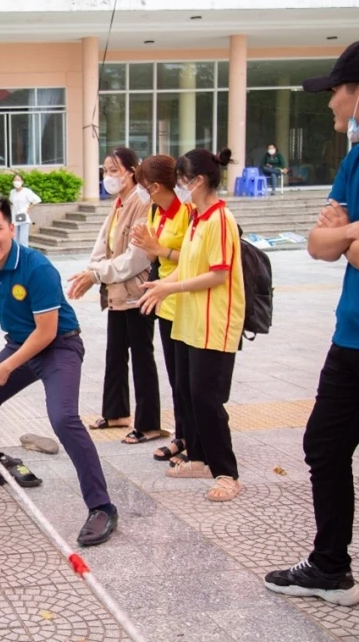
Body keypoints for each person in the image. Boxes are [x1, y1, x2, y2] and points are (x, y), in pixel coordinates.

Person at [262, 39, 359, 641]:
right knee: (323, 447)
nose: (330, 106)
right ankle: (330, 568)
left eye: (337, 93)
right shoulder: (358, 157)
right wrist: (357, 232)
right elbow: (318, 245)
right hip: (353, 337)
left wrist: (355, 232)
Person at [0, 195, 119, 547]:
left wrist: (8, 366)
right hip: (19, 344)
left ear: (11, 227)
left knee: (63, 419)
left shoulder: (37, 268)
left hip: (59, 347)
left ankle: (102, 507)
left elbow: (47, 332)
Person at [138, 148, 245, 503]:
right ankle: (199, 457)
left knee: (207, 399)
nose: (178, 186)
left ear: (198, 181)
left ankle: (227, 473)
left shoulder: (220, 219)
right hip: (188, 321)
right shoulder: (199, 218)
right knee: (188, 393)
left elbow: (217, 273)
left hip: (214, 323)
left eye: (182, 180)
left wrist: (172, 285)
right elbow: (188, 265)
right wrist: (162, 286)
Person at [69, 147, 162, 445]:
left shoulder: (143, 203)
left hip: (137, 292)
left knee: (142, 357)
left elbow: (138, 259)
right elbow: (102, 244)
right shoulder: (119, 204)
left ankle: (149, 424)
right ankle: (117, 412)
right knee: (116, 352)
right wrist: (92, 269)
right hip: (117, 291)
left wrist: (96, 274)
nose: (108, 176)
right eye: (105, 170)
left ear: (132, 171)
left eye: (113, 170)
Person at [130, 155, 191, 464]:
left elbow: (199, 257)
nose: (141, 192)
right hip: (165, 302)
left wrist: (159, 249)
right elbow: (156, 258)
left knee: (189, 379)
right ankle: (183, 435)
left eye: (143, 186)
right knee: (176, 377)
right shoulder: (157, 211)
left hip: (187, 301)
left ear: (154, 185)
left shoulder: (188, 212)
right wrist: (150, 250)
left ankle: (195, 438)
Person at [8, 173, 41, 247]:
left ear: (22, 181)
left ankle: (24, 256)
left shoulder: (27, 191)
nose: (16, 181)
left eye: (18, 180)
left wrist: (29, 208)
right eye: (15, 180)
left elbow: (37, 200)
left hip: (23, 216)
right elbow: (12, 202)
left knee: (23, 239)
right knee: (14, 239)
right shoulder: (12, 192)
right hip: (15, 217)